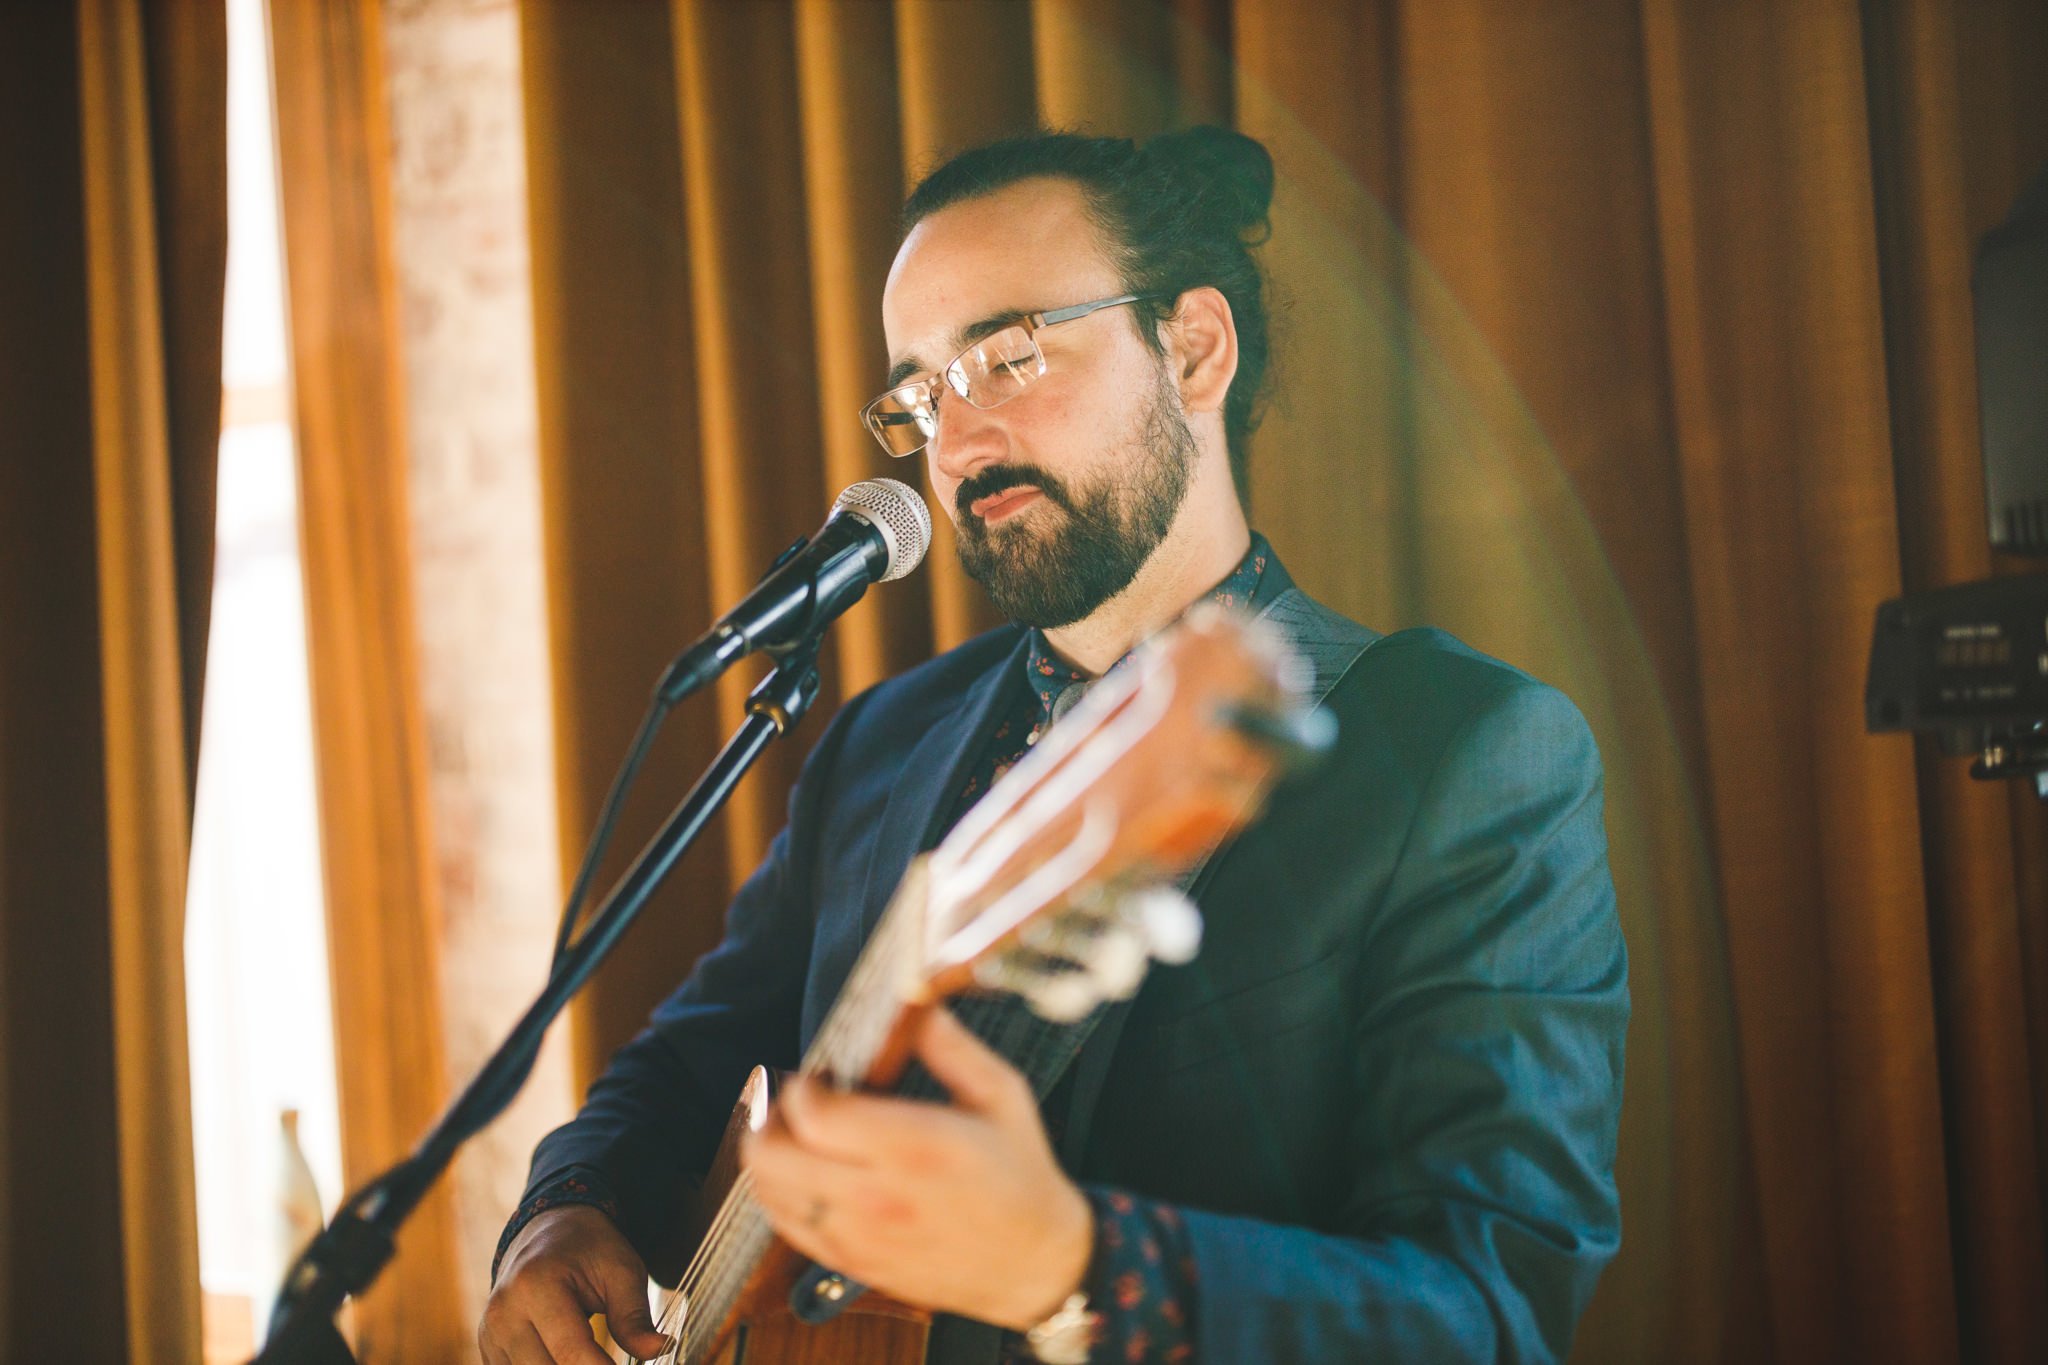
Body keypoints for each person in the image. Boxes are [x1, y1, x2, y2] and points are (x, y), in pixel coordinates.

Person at [478, 127, 1627, 1365]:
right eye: (919, 394)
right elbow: (684, 1060)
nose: (955, 443)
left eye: (1007, 357)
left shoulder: (1469, 756)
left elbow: (1489, 1312)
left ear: (1192, 348)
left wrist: (1077, 1271)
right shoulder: (879, 742)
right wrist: (560, 1215)